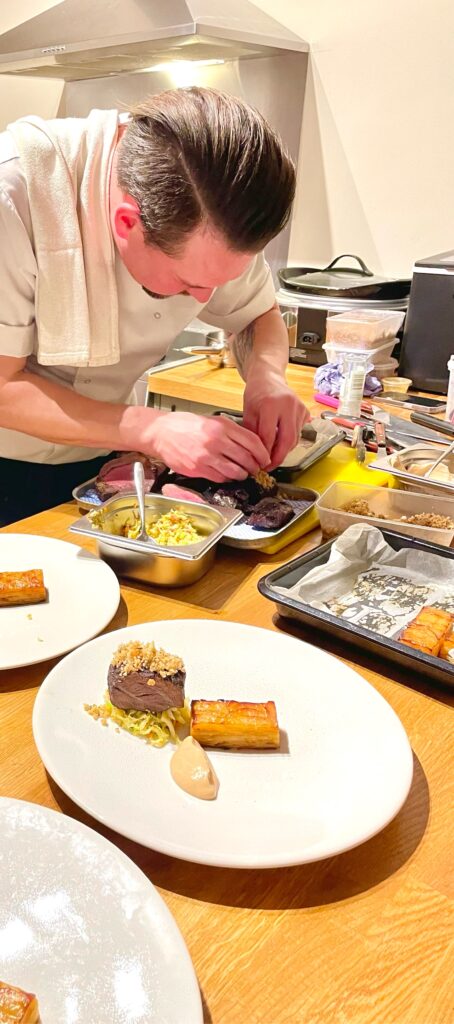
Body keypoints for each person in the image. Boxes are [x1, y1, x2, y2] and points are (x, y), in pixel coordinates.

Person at [0, 86, 309, 525]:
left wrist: (266, 377)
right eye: (189, 283)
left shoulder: (220, 207)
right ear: (127, 224)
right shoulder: (14, 197)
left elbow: (257, 314)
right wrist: (152, 427)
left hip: (103, 457)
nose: (206, 298)